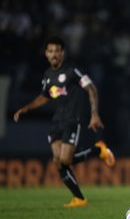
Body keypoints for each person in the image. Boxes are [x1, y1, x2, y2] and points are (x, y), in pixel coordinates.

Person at [13, 36, 115, 207]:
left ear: (62, 53)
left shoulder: (72, 71)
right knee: (58, 161)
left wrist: (94, 114)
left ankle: (98, 150)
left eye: (57, 51)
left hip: (72, 120)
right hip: (56, 121)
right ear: (46, 53)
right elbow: (44, 97)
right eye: (50, 51)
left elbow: (91, 88)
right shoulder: (47, 75)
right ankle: (79, 199)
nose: (54, 54)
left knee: (65, 160)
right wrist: (26, 108)